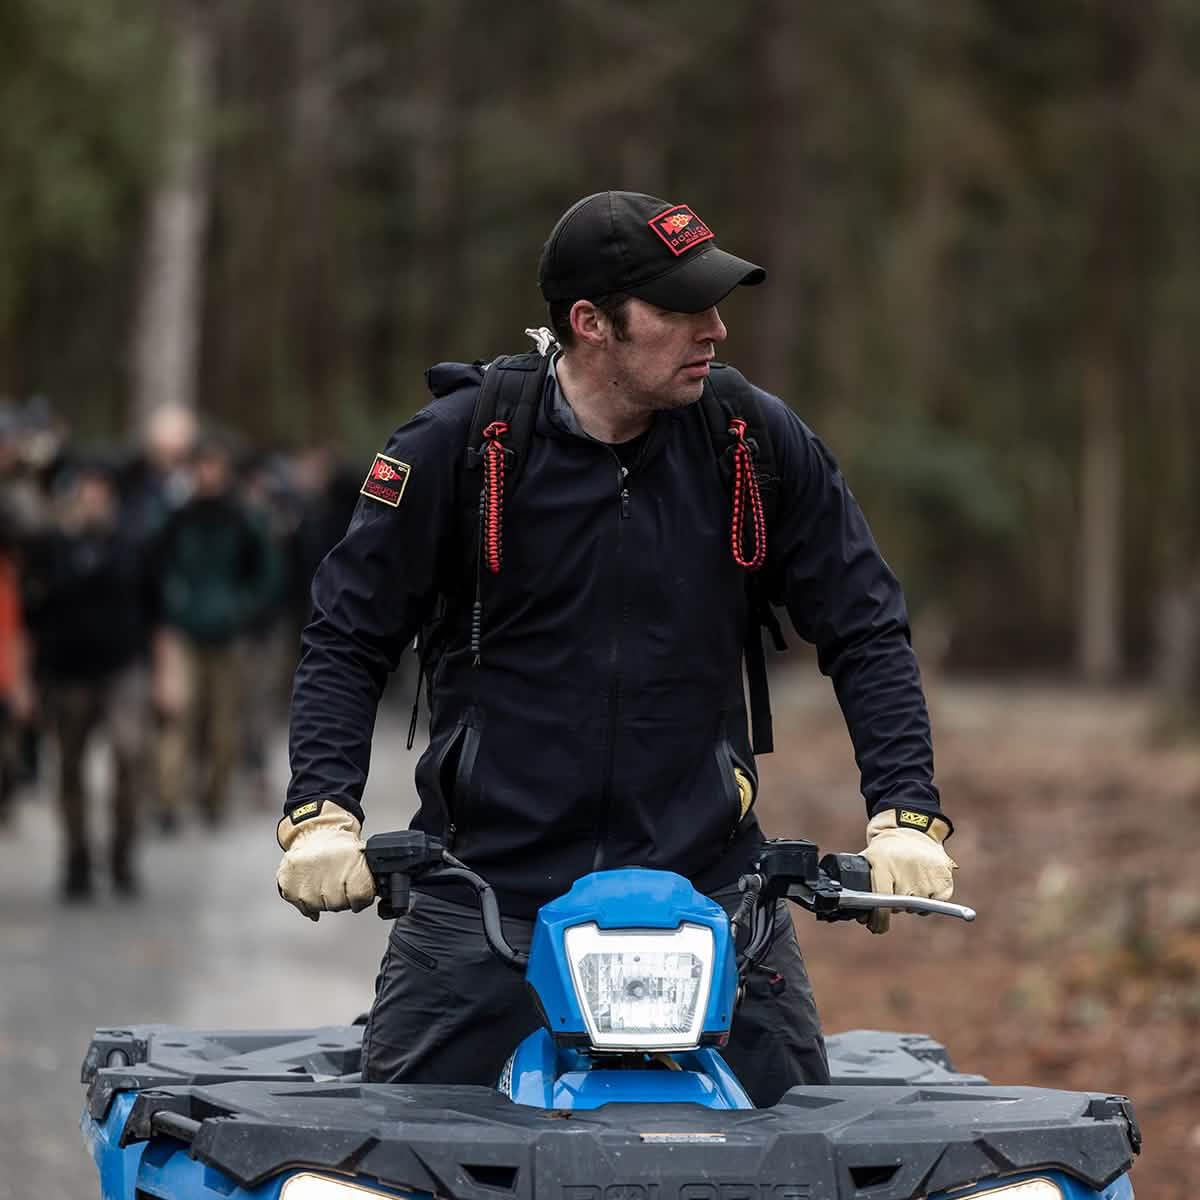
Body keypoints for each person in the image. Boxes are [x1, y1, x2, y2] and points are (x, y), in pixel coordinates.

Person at [276, 191, 957, 1106]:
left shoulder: (751, 443)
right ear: (591, 323)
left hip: (716, 895)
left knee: (798, 1153)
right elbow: (347, 637)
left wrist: (905, 810)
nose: (715, 328)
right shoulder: (460, 448)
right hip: (486, 895)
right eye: (681, 309)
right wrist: (321, 809)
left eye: (716, 303)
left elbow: (867, 626)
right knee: (395, 1156)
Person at [23, 461, 154, 897]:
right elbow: (31, 615)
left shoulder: (132, 545)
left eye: (102, 492)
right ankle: (78, 856)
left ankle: (122, 853)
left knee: (130, 755)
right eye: (87, 492)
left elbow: (156, 610)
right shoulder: (50, 546)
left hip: (123, 667)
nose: (94, 501)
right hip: (68, 673)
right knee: (70, 768)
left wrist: (163, 669)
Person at [153, 433, 273, 829]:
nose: (207, 475)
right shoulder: (179, 516)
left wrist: (243, 606)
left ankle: (214, 797)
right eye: (201, 466)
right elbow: (157, 564)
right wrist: (173, 605)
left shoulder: (241, 517)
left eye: (213, 467)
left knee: (224, 723)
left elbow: (269, 570)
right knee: (180, 719)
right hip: (186, 631)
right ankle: (169, 799)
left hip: (227, 633)